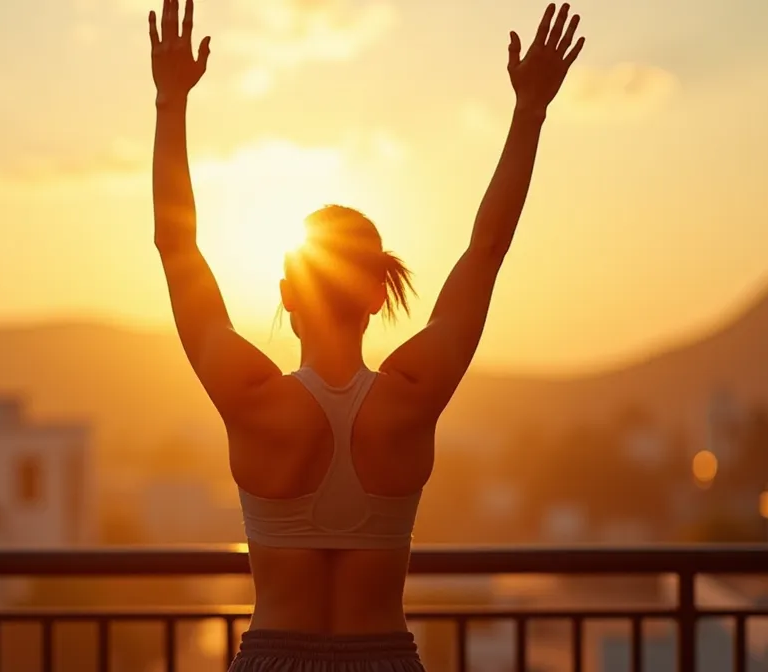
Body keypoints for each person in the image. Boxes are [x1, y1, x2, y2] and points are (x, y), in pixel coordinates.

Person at [147, 0, 585, 669]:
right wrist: (530, 111)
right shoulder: (412, 395)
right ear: (380, 294)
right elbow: (486, 249)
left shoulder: (253, 398)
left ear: (288, 295)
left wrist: (170, 101)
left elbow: (176, 247)